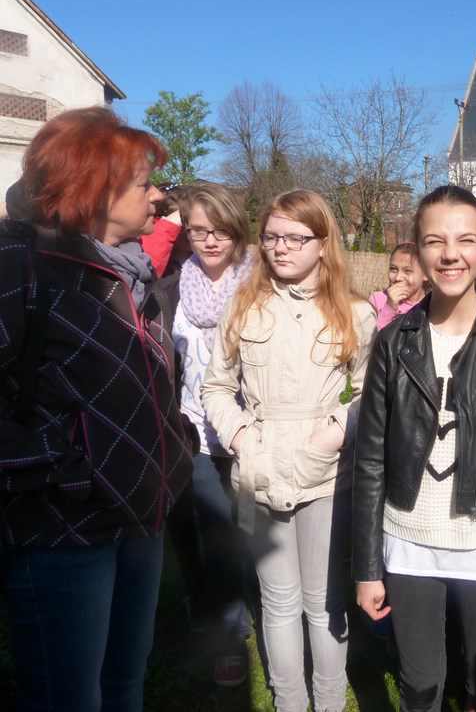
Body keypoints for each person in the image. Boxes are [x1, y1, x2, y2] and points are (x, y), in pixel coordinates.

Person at [0, 106, 193, 711]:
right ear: (93, 190)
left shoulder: (132, 275)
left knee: (123, 689)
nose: (159, 197)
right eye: (144, 183)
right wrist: (63, 459)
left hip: (140, 522)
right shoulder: (22, 269)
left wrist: (176, 448)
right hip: (63, 530)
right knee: (69, 700)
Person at [352, 184, 476, 712]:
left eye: (465, 240)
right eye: (435, 241)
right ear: (418, 251)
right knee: (419, 685)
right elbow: (369, 461)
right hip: (409, 542)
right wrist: (367, 567)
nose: (450, 254)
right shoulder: (394, 341)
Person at [202, 189, 376, 712]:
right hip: (259, 472)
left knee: (323, 602)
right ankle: (290, 701)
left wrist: (330, 437)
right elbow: (216, 386)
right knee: (278, 601)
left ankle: (329, 701)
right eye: (272, 237)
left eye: (295, 238)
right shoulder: (244, 306)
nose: (280, 247)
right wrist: (240, 437)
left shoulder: (355, 312)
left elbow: (369, 394)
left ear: (323, 243)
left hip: (325, 474)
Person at [157, 182, 255, 686]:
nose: (210, 240)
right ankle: (226, 628)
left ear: (237, 230)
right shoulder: (173, 289)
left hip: (249, 431)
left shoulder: (261, 284)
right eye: (198, 231)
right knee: (213, 531)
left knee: (246, 531)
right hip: (193, 430)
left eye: (220, 230)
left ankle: (248, 612)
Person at [370, 240, 427, 330]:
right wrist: (389, 308)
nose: (398, 277)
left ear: (426, 274)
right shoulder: (377, 301)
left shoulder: (431, 306)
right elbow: (372, 336)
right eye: (393, 269)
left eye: (407, 271)